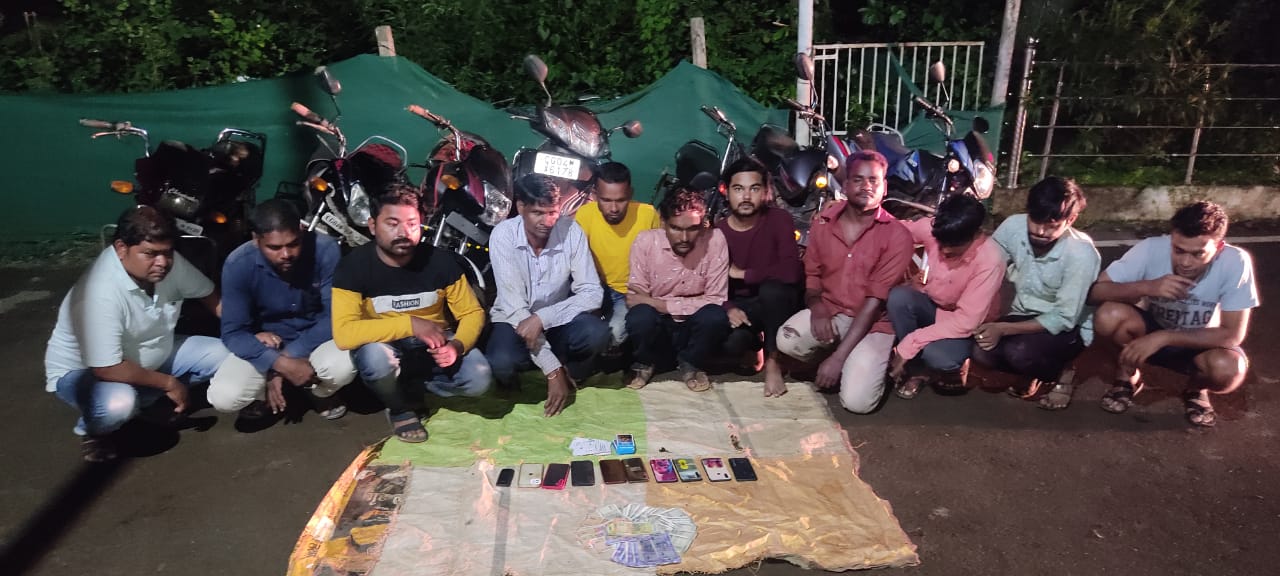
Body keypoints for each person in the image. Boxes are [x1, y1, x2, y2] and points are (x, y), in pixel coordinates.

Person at [44, 206, 229, 461]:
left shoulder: (167, 263)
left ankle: (145, 403)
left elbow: (210, 296)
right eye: (150, 254)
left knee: (227, 354)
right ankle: (93, 429)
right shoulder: (99, 292)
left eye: (167, 252)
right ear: (121, 248)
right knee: (118, 404)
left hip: (151, 355)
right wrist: (169, 383)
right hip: (87, 373)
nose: (162, 263)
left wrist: (248, 335)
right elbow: (106, 368)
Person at [332, 184, 491, 443]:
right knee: (375, 359)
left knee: (479, 379)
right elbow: (344, 334)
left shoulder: (441, 262)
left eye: (412, 224)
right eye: (392, 224)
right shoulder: (353, 266)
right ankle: (399, 407)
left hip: (433, 343)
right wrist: (411, 324)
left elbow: (471, 312)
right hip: (383, 343)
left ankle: (412, 388)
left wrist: (458, 345)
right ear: (372, 226)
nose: (403, 232)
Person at [1089, 201, 1256, 427]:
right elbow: (1096, 293)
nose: (1185, 262)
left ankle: (1196, 389)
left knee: (1229, 370)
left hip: (1199, 341)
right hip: (1149, 329)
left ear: (1218, 248)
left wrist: (1164, 337)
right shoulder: (1151, 248)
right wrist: (1148, 287)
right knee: (1108, 316)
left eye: (1198, 254)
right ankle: (1127, 373)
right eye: (1179, 250)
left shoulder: (1235, 261)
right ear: (1171, 239)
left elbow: (1233, 335)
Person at [776, 150, 913, 413]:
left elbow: (874, 302)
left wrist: (838, 359)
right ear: (846, 185)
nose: (866, 186)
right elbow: (813, 276)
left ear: (884, 187)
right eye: (858, 180)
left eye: (874, 180)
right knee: (787, 339)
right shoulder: (822, 224)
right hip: (833, 312)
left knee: (857, 404)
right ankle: (838, 355)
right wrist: (817, 307)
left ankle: (861, 358)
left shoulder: (897, 236)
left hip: (873, 323)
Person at [207, 199, 356, 421]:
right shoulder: (238, 264)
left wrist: (286, 359)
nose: (286, 254)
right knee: (224, 397)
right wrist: (276, 362)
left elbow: (337, 316)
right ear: (256, 240)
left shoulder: (325, 250)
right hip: (267, 343)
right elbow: (233, 333)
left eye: (293, 244)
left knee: (343, 364)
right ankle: (262, 395)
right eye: (274, 248)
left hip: (316, 336)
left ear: (302, 230)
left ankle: (318, 391)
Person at [972, 176, 1100, 410]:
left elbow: (1064, 317)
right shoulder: (1013, 226)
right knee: (981, 350)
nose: (1040, 231)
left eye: (1051, 226)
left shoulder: (1081, 253)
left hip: (1067, 328)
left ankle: (1064, 372)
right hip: (1023, 313)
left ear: (1071, 220)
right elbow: (987, 265)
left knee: (1019, 352)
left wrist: (1002, 328)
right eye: (1035, 221)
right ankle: (1031, 371)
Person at [487, 175, 610, 417]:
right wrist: (552, 370)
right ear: (520, 207)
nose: (547, 221)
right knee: (502, 361)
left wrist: (543, 317)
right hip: (513, 318)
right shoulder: (503, 235)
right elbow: (517, 311)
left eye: (552, 212)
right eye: (538, 213)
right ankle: (540, 373)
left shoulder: (571, 230)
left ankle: (572, 372)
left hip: (557, 319)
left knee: (597, 333)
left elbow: (592, 293)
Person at [886, 195, 1005, 399]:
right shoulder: (935, 228)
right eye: (941, 243)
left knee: (939, 356)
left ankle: (950, 367)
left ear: (975, 234)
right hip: (932, 305)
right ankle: (916, 369)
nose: (945, 250)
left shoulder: (991, 259)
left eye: (954, 245)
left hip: (966, 325)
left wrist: (909, 344)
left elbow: (965, 321)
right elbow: (897, 230)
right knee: (899, 298)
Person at [625, 187, 731, 392]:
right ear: (662, 222)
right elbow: (636, 297)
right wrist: (658, 306)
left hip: (695, 327)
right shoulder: (646, 241)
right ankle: (646, 362)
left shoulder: (715, 240)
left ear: (703, 223)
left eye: (692, 229)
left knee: (715, 316)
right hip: (660, 327)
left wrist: (660, 304)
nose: (684, 237)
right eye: (675, 228)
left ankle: (691, 363)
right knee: (640, 316)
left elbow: (716, 299)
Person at [715, 157, 803, 397]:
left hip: (781, 301)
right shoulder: (719, 231)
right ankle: (755, 343)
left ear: (765, 192)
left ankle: (774, 361)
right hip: (746, 306)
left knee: (772, 290)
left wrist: (743, 274)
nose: (746, 196)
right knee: (731, 344)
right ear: (726, 192)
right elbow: (712, 284)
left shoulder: (779, 219)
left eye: (754, 189)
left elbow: (791, 272)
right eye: (738, 189)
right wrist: (729, 308)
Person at [575, 162, 661, 349]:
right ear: (595, 195)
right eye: (606, 200)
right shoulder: (584, 215)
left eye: (621, 200)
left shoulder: (647, 215)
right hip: (595, 288)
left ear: (630, 194)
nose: (614, 208)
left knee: (613, 335)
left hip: (630, 294)